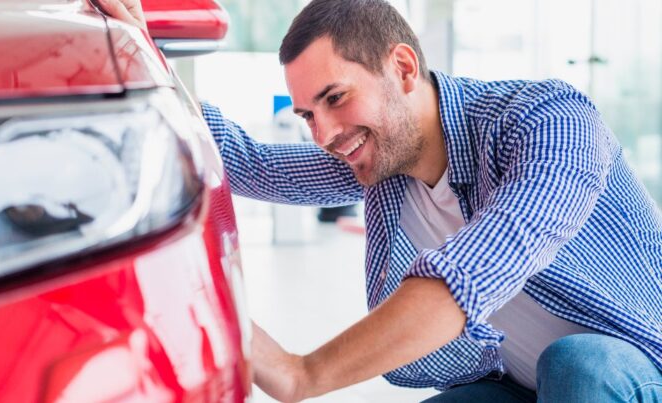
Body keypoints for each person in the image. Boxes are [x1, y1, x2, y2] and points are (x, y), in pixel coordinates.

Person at [98, 0, 662, 401]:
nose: (323, 133)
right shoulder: (385, 165)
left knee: (580, 366)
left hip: (636, 369)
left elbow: (473, 271)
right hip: (517, 383)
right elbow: (251, 161)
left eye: (335, 98)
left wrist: (303, 373)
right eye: (307, 115)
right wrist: (147, 63)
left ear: (403, 68)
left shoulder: (549, 122)